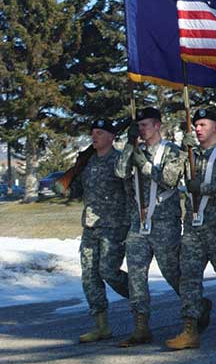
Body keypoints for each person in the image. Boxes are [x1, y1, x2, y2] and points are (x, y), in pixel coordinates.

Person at [166, 108, 216, 350]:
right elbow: (168, 180)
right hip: (192, 227)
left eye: (203, 124)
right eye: (196, 125)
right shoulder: (189, 155)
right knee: (188, 278)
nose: (198, 129)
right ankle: (190, 329)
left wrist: (203, 187)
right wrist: (182, 152)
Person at [115, 107, 187, 347]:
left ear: (157, 125)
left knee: (172, 272)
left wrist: (144, 165)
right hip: (139, 222)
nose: (142, 130)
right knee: (136, 275)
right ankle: (141, 326)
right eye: (139, 126)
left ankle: (195, 308)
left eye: (145, 125)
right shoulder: (136, 149)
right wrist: (129, 145)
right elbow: (119, 171)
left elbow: (168, 179)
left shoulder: (172, 151)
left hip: (164, 221)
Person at [59, 119, 130, 343]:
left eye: (100, 133)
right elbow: (78, 191)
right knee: (89, 276)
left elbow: (131, 190)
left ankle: (139, 296)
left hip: (114, 225)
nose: (94, 136)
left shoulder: (120, 161)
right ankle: (101, 326)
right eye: (93, 133)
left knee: (109, 271)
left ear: (111, 137)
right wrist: (67, 185)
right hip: (90, 226)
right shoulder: (88, 162)